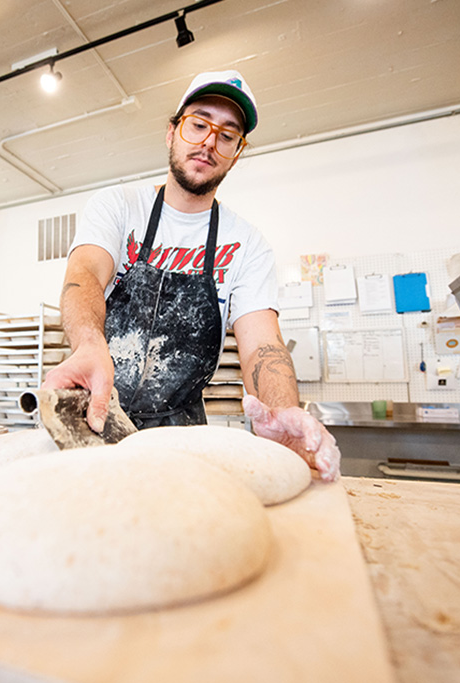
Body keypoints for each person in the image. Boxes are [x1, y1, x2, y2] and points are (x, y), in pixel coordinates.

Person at [43, 70, 340, 481]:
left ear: (237, 152)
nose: (208, 142)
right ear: (172, 133)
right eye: (198, 124)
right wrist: (90, 343)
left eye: (227, 135)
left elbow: (263, 346)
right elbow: (85, 274)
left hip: (180, 437)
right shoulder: (118, 205)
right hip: (93, 415)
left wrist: (283, 410)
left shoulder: (247, 244)